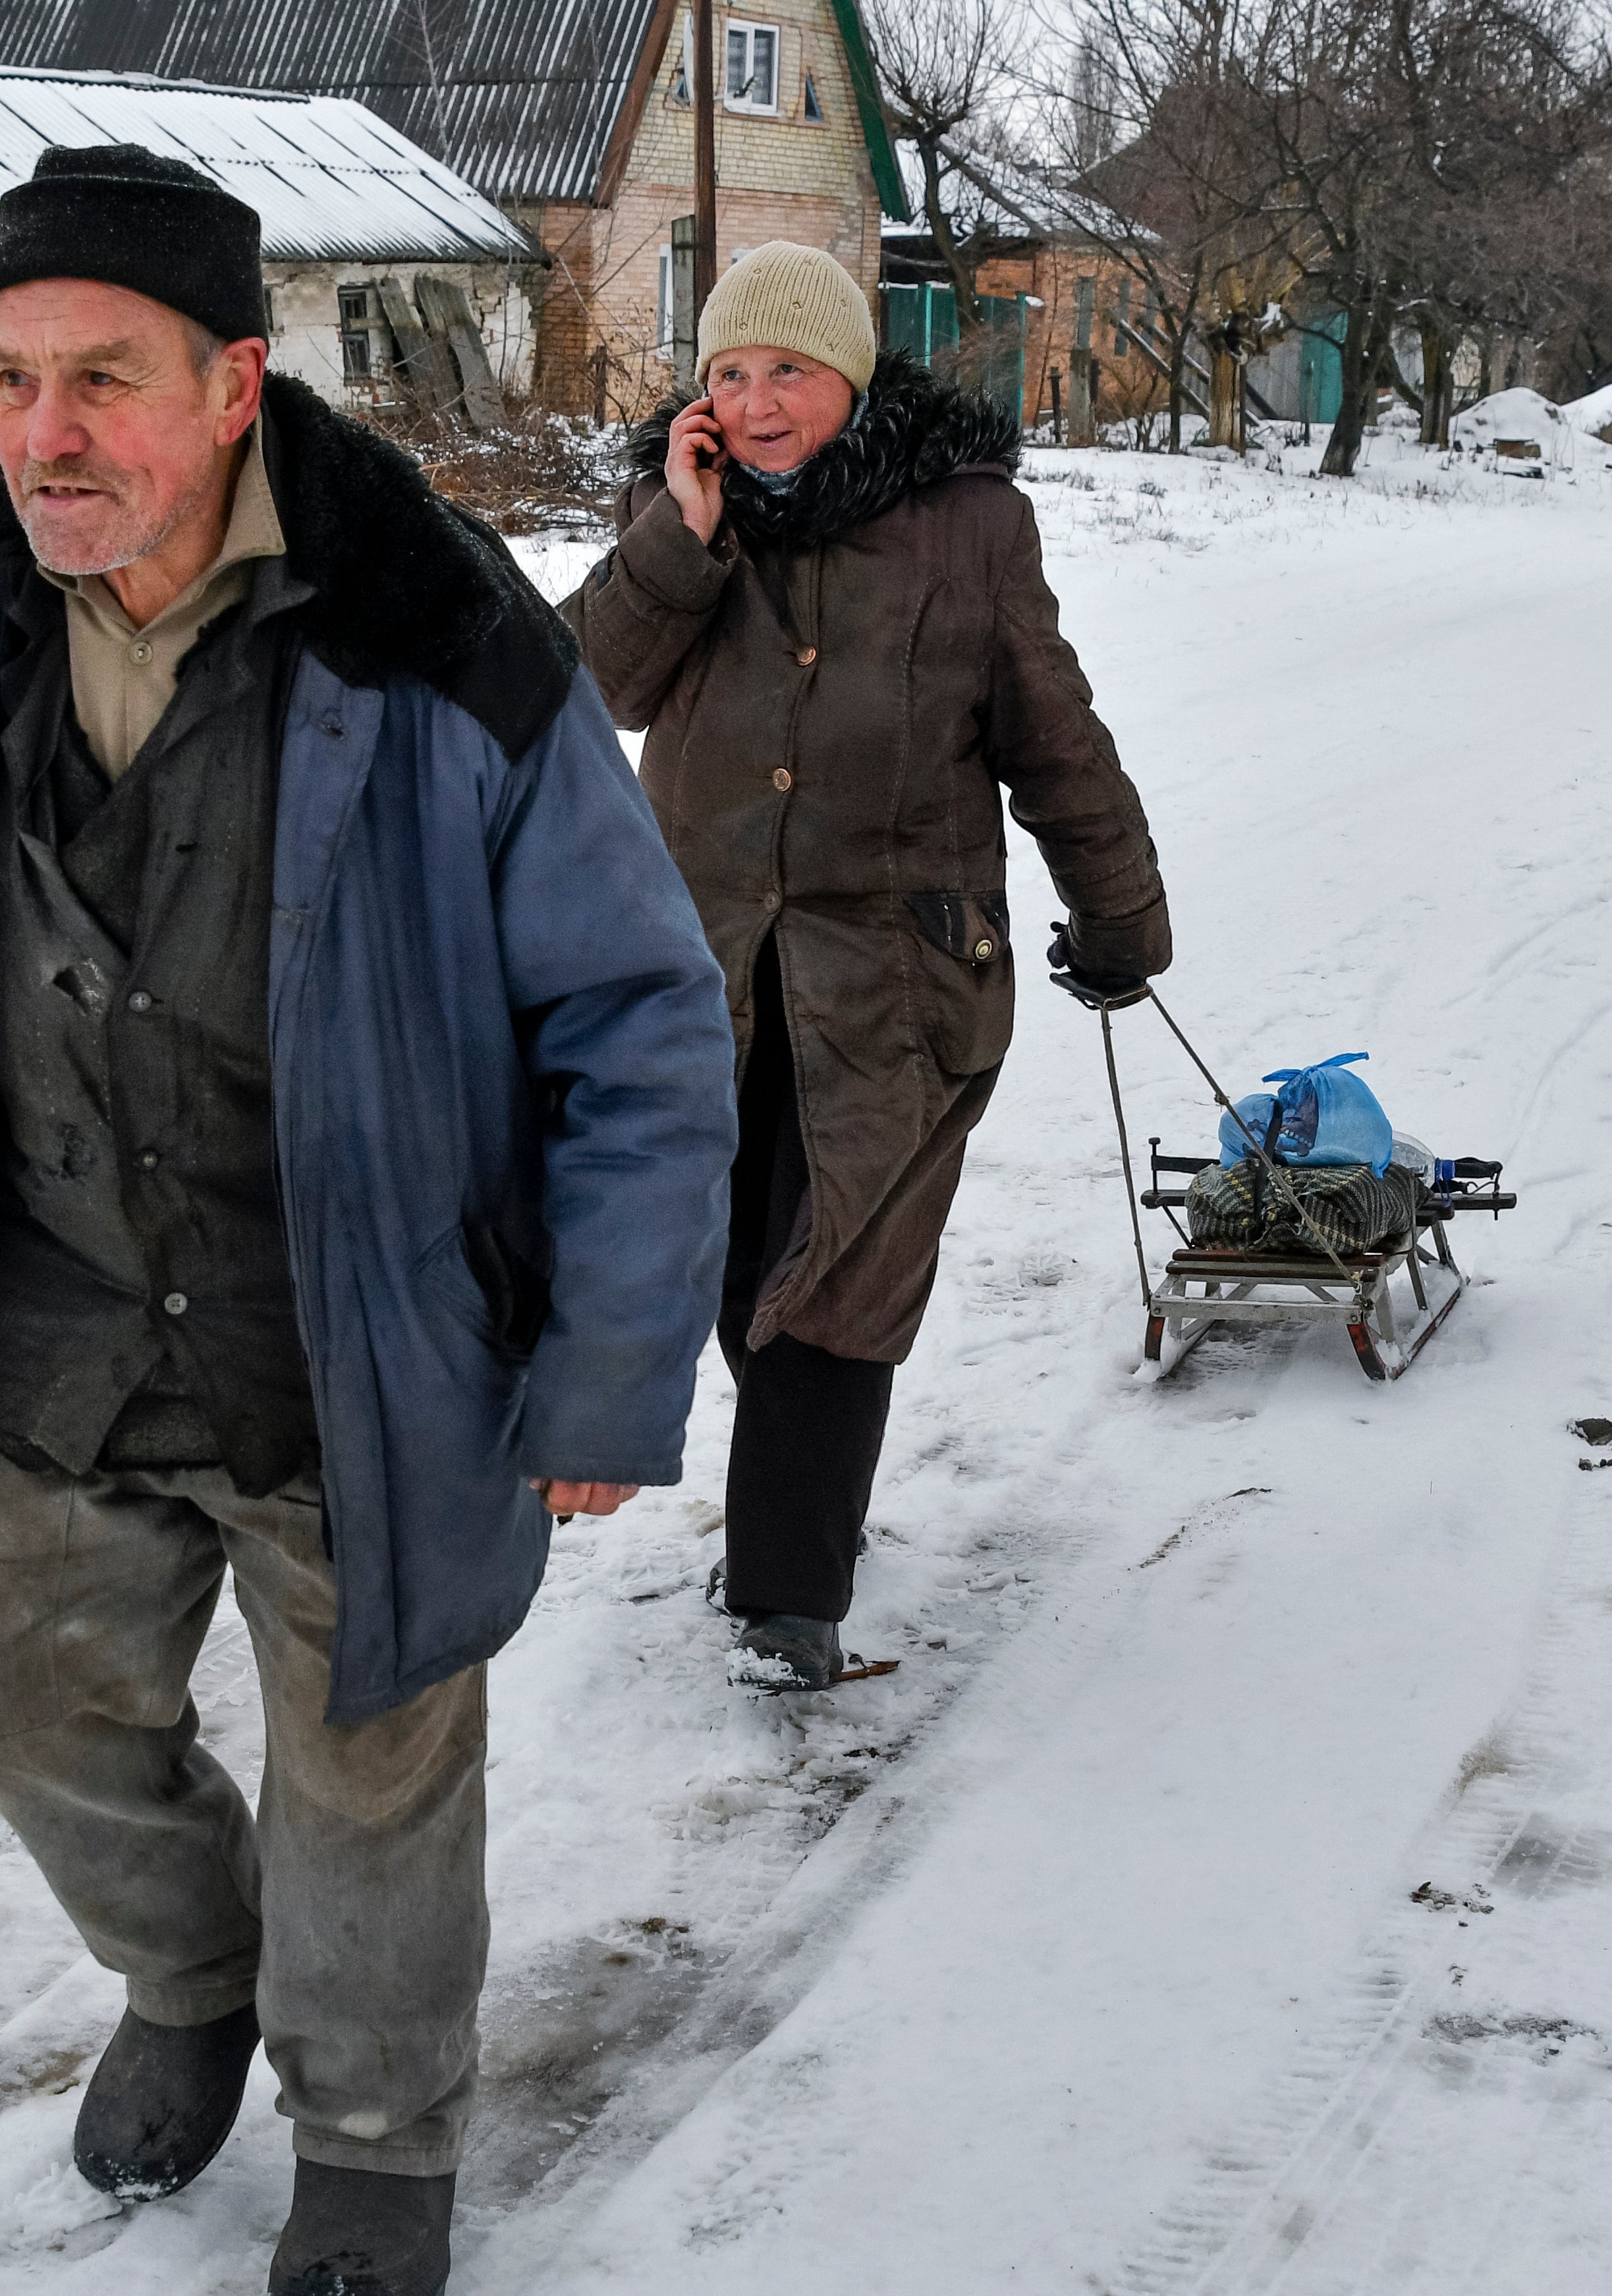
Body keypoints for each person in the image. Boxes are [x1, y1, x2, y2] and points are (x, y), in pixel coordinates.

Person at [0, 145, 735, 2296]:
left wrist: (607, 1353)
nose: (44, 435)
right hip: (57, 1312)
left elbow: (641, 1015)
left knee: (373, 1768)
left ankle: (377, 2126)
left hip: (362, 1342)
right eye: (10, 380)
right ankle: (198, 1973)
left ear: (235, 385)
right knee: (5, 1688)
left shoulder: (438, 635)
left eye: (103, 378)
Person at [561, 242, 1172, 1693]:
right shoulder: (681, 511)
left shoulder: (966, 528)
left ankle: (787, 1595)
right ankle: (799, 1519)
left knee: (830, 1273)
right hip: (693, 970)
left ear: (851, 377)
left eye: (789, 372)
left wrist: (1120, 919)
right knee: (714, 1257)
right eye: (729, 374)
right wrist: (677, 538)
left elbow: (1052, 738)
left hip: (894, 983)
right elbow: (583, 689)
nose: (759, 403)